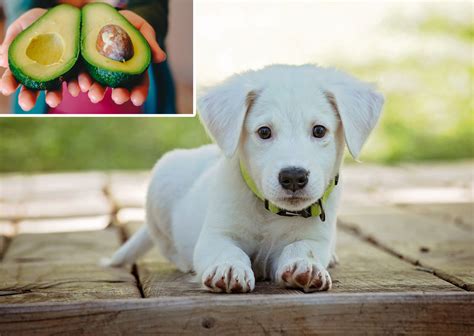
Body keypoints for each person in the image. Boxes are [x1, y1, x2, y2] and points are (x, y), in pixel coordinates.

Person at [0, 0, 176, 114]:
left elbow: (153, 4)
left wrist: (143, 19)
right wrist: (23, 18)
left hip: (140, 94)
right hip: (51, 101)